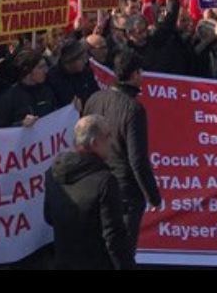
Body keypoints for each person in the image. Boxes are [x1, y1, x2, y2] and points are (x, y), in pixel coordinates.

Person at [82, 49, 162, 259]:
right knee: (122, 252)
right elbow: (137, 159)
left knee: (99, 249)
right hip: (124, 193)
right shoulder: (133, 109)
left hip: (94, 184)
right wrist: (153, 196)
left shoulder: (95, 99)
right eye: (141, 72)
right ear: (135, 74)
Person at [43, 114, 133, 270]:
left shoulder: (52, 174)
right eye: (108, 136)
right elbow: (113, 236)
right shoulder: (105, 181)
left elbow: (49, 216)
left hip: (64, 261)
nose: (112, 141)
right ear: (94, 142)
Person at [0, 49, 58, 128]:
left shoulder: (47, 90)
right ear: (27, 70)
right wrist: (21, 125)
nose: (46, 70)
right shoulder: (9, 98)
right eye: (40, 67)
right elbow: (1, 130)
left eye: (45, 66)